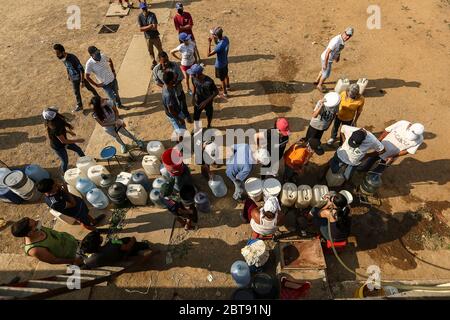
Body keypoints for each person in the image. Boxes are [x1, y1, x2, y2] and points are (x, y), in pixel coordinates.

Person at [36, 178, 106, 231]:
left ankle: (94, 221)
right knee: (84, 222)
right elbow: (73, 204)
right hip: (76, 212)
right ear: (50, 190)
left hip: (79, 205)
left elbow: (62, 192)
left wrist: (60, 188)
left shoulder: (54, 189)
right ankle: (95, 230)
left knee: (86, 214)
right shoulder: (55, 203)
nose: (57, 184)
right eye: (55, 185)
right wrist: (66, 191)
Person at [359, 121, 424, 174]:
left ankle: (372, 176)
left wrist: (393, 156)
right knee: (372, 159)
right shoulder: (402, 124)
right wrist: (379, 140)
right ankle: (364, 169)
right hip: (381, 147)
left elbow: (408, 151)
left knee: (380, 168)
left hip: (391, 155)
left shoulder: (419, 139)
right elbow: (387, 130)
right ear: (409, 126)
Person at [11, 217, 83, 265]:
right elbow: (53, 260)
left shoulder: (37, 229)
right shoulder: (35, 249)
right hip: (73, 256)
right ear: (30, 233)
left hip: (73, 242)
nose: (38, 222)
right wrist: (74, 261)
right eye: (35, 224)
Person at [53, 44, 99, 113]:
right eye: (56, 53)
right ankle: (79, 105)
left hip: (80, 77)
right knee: (76, 92)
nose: (57, 55)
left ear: (63, 52)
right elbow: (67, 66)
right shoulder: (62, 58)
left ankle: (98, 98)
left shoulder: (72, 58)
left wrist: (82, 81)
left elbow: (81, 69)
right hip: (73, 78)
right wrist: (68, 74)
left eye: (58, 53)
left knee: (90, 88)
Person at [43, 107, 85, 173]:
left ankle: (85, 160)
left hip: (63, 142)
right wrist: (78, 140)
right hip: (58, 147)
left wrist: (68, 131)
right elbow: (64, 141)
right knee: (65, 161)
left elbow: (61, 130)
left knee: (78, 149)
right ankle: (64, 173)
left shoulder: (55, 121)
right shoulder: (54, 128)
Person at [153, 51, 192, 122]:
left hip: (178, 90)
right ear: (159, 61)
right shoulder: (156, 70)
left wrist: (174, 85)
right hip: (169, 93)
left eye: (167, 60)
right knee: (173, 107)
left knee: (183, 104)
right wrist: (166, 86)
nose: (166, 63)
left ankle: (187, 115)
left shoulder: (175, 65)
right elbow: (157, 81)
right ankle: (178, 118)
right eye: (164, 62)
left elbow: (180, 77)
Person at [80, 231, 152, 269]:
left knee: (121, 242)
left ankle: (139, 250)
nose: (100, 236)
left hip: (113, 259)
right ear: (99, 242)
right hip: (122, 255)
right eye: (99, 237)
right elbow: (127, 247)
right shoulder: (112, 242)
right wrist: (133, 239)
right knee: (127, 240)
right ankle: (145, 245)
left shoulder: (90, 260)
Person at [315, 27, 354, 93]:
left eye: (349, 36)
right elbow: (327, 52)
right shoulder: (336, 41)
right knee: (326, 74)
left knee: (323, 70)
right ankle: (319, 85)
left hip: (328, 59)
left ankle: (317, 80)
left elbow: (338, 50)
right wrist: (325, 63)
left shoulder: (342, 41)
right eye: (347, 35)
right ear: (344, 32)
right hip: (326, 59)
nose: (347, 37)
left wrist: (337, 57)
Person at [188, 64, 219, 129]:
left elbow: (216, 92)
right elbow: (194, 86)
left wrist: (205, 102)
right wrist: (193, 97)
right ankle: (197, 128)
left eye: (192, 74)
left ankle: (209, 125)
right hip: (198, 101)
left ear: (197, 74)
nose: (191, 75)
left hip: (208, 102)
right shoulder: (193, 78)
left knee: (209, 115)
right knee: (196, 116)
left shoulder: (209, 81)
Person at [138, 2, 163, 69]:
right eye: (143, 8)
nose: (144, 9)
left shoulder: (152, 15)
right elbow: (140, 29)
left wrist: (145, 28)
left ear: (147, 7)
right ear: (141, 9)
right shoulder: (140, 16)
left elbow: (155, 28)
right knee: (150, 51)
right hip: (147, 38)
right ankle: (154, 63)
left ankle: (162, 62)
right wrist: (150, 26)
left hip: (155, 36)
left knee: (160, 50)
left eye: (145, 8)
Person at [207, 27, 230, 97]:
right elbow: (217, 43)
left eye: (213, 34)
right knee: (226, 74)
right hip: (225, 61)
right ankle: (228, 86)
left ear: (216, 36)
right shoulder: (226, 39)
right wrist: (214, 39)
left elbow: (208, 54)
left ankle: (225, 92)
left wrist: (209, 43)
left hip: (219, 65)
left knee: (222, 79)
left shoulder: (219, 46)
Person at [162, 71, 187, 135]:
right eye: (174, 78)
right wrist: (179, 119)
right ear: (170, 81)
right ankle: (181, 143)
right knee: (181, 132)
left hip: (175, 112)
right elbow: (171, 110)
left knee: (178, 129)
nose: (175, 78)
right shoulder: (169, 95)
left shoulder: (165, 85)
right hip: (175, 115)